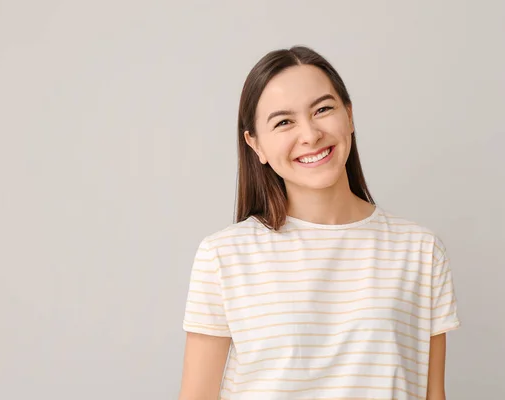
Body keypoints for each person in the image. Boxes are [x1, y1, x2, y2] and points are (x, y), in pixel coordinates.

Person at [178, 45, 461, 400]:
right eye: (284, 122)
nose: (310, 134)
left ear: (349, 115)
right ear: (256, 145)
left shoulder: (420, 250)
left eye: (323, 109)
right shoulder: (223, 257)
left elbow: (433, 393)